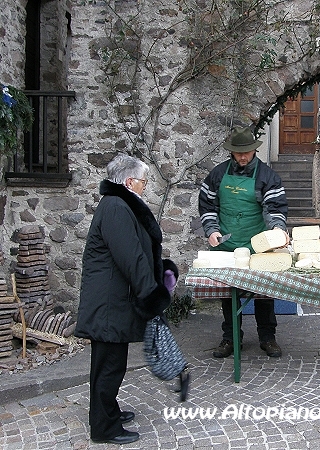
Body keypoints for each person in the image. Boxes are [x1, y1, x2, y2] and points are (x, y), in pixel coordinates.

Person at [75, 154, 189, 445]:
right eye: (142, 181)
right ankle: (104, 427)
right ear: (128, 182)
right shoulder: (116, 207)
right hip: (109, 303)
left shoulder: (119, 205)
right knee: (109, 366)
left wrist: (160, 268)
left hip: (113, 300)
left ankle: (108, 411)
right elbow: (131, 258)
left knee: (111, 363)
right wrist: (151, 295)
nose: (144, 186)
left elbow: (138, 250)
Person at [199, 126, 289, 359]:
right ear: (231, 152)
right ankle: (230, 338)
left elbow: (275, 209)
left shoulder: (267, 177)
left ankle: (267, 337)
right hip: (226, 245)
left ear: (253, 151)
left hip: (258, 245)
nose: (242, 157)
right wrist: (211, 230)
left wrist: (277, 231)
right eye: (238, 153)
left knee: (264, 292)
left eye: (246, 152)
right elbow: (207, 206)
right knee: (229, 294)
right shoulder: (217, 175)